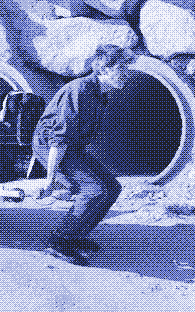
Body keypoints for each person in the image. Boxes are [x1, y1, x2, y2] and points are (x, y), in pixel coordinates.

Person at [30, 44, 133, 265]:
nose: (127, 74)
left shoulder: (101, 93)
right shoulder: (80, 90)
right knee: (93, 190)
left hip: (72, 147)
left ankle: (76, 235)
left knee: (112, 187)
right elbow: (59, 138)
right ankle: (59, 239)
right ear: (104, 70)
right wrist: (50, 179)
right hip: (51, 146)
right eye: (121, 68)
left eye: (127, 68)